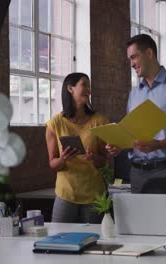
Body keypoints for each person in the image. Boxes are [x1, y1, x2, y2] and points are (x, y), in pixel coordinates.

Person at [106, 34, 166, 193]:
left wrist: (160, 144)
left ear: (149, 53)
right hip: (136, 174)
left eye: (134, 57)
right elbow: (131, 133)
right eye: (129, 59)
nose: (131, 64)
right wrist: (120, 145)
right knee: (139, 219)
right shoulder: (134, 94)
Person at [45, 72, 109, 223]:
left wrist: (94, 158)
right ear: (70, 89)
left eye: (89, 86)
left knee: (95, 242)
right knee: (59, 241)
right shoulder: (55, 124)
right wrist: (63, 159)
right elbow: (52, 163)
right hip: (66, 194)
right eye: (84, 85)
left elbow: (104, 161)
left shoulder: (100, 121)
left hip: (94, 194)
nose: (89, 89)